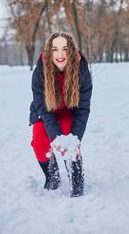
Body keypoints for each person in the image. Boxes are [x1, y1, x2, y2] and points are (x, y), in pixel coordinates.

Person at [29, 32, 92, 197]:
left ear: (71, 50)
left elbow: (83, 109)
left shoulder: (82, 71)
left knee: (69, 139)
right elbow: (42, 107)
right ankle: (52, 175)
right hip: (46, 112)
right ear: (49, 51)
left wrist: (75, 138)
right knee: (39, 141)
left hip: (70, 112)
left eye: (64, 49)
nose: (60, 54)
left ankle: (76, 177)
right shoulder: (39, 72)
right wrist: (54, 136)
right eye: (55, 49)